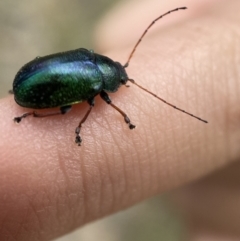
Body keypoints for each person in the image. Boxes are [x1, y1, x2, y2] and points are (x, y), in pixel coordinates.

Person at [0, 0, 239, 240]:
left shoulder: (89, 57)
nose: (124, 79)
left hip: (29, 75)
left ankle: (29, 113)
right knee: (70, 110)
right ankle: (32, 114)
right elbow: (100, 104)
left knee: (77, 106)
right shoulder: (95, 84)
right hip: (31, 85)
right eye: (121, 77)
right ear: (110, 74)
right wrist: (109, 121)